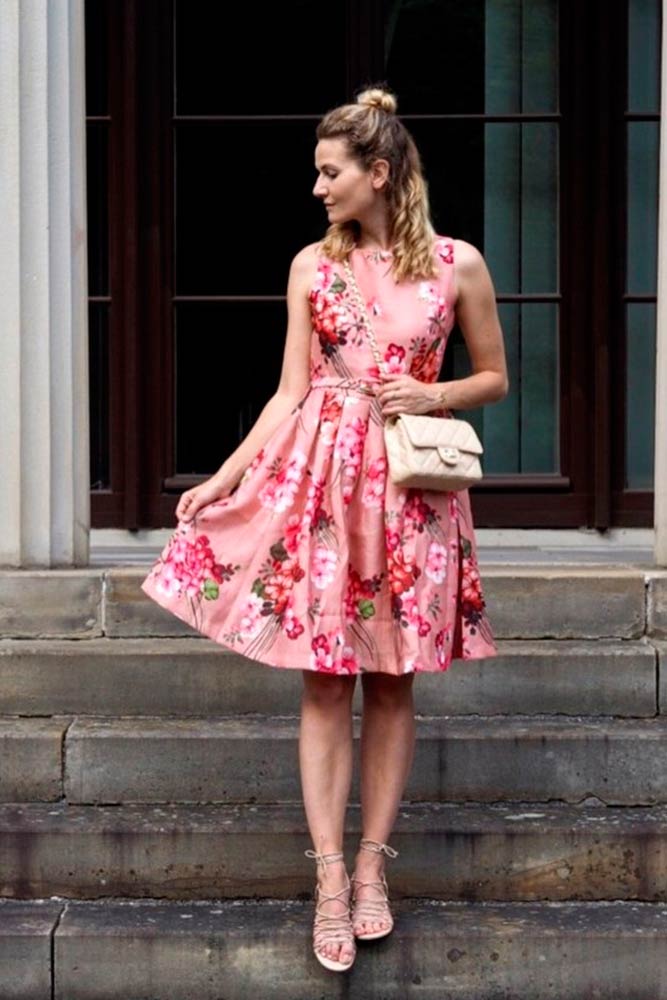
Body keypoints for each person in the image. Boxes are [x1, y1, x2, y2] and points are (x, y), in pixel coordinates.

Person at [140, 84, 508, 974]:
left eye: (329, 171)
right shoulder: (312, 266)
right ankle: (330, 879)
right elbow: (288, 391)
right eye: (318, 171)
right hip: (324, 493)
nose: (317, 187)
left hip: (413, 495)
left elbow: (493, 376)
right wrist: (221, 478)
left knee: (390, 683)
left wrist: (434, 391)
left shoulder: (458, 266)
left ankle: (375, 867)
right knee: (321, 684)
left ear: (378, 175)